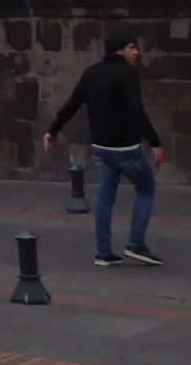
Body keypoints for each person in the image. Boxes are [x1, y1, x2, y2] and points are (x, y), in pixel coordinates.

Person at [44, 29, 164, 267]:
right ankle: (136, 243)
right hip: (126, 148)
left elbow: (71, 105)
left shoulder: (91, 73)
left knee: (104, 198)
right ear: (119, 50)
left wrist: (53, 130)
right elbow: (137, 112)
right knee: (146, 188)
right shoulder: (126, 74)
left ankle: (103, 252)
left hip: (101, 147)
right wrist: (155, 142)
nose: (137, 53)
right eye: (132, 47)